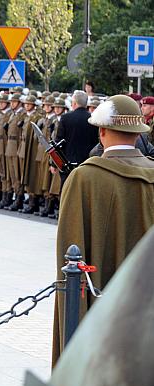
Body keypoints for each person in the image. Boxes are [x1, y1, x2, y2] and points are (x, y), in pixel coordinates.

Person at [52, 95, 154, 367]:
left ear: (102, 131)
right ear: (137, 133)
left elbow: (70, 257)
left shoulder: (84, 178)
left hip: (100, 323)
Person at [54, 90, 98, 186]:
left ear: (74, 103)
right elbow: (97, 143)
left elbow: (58, 143)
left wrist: (54, 163)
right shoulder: (93, 119)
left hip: (68, 164)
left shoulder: (65, 118)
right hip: (87, 163)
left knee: (66, 192)